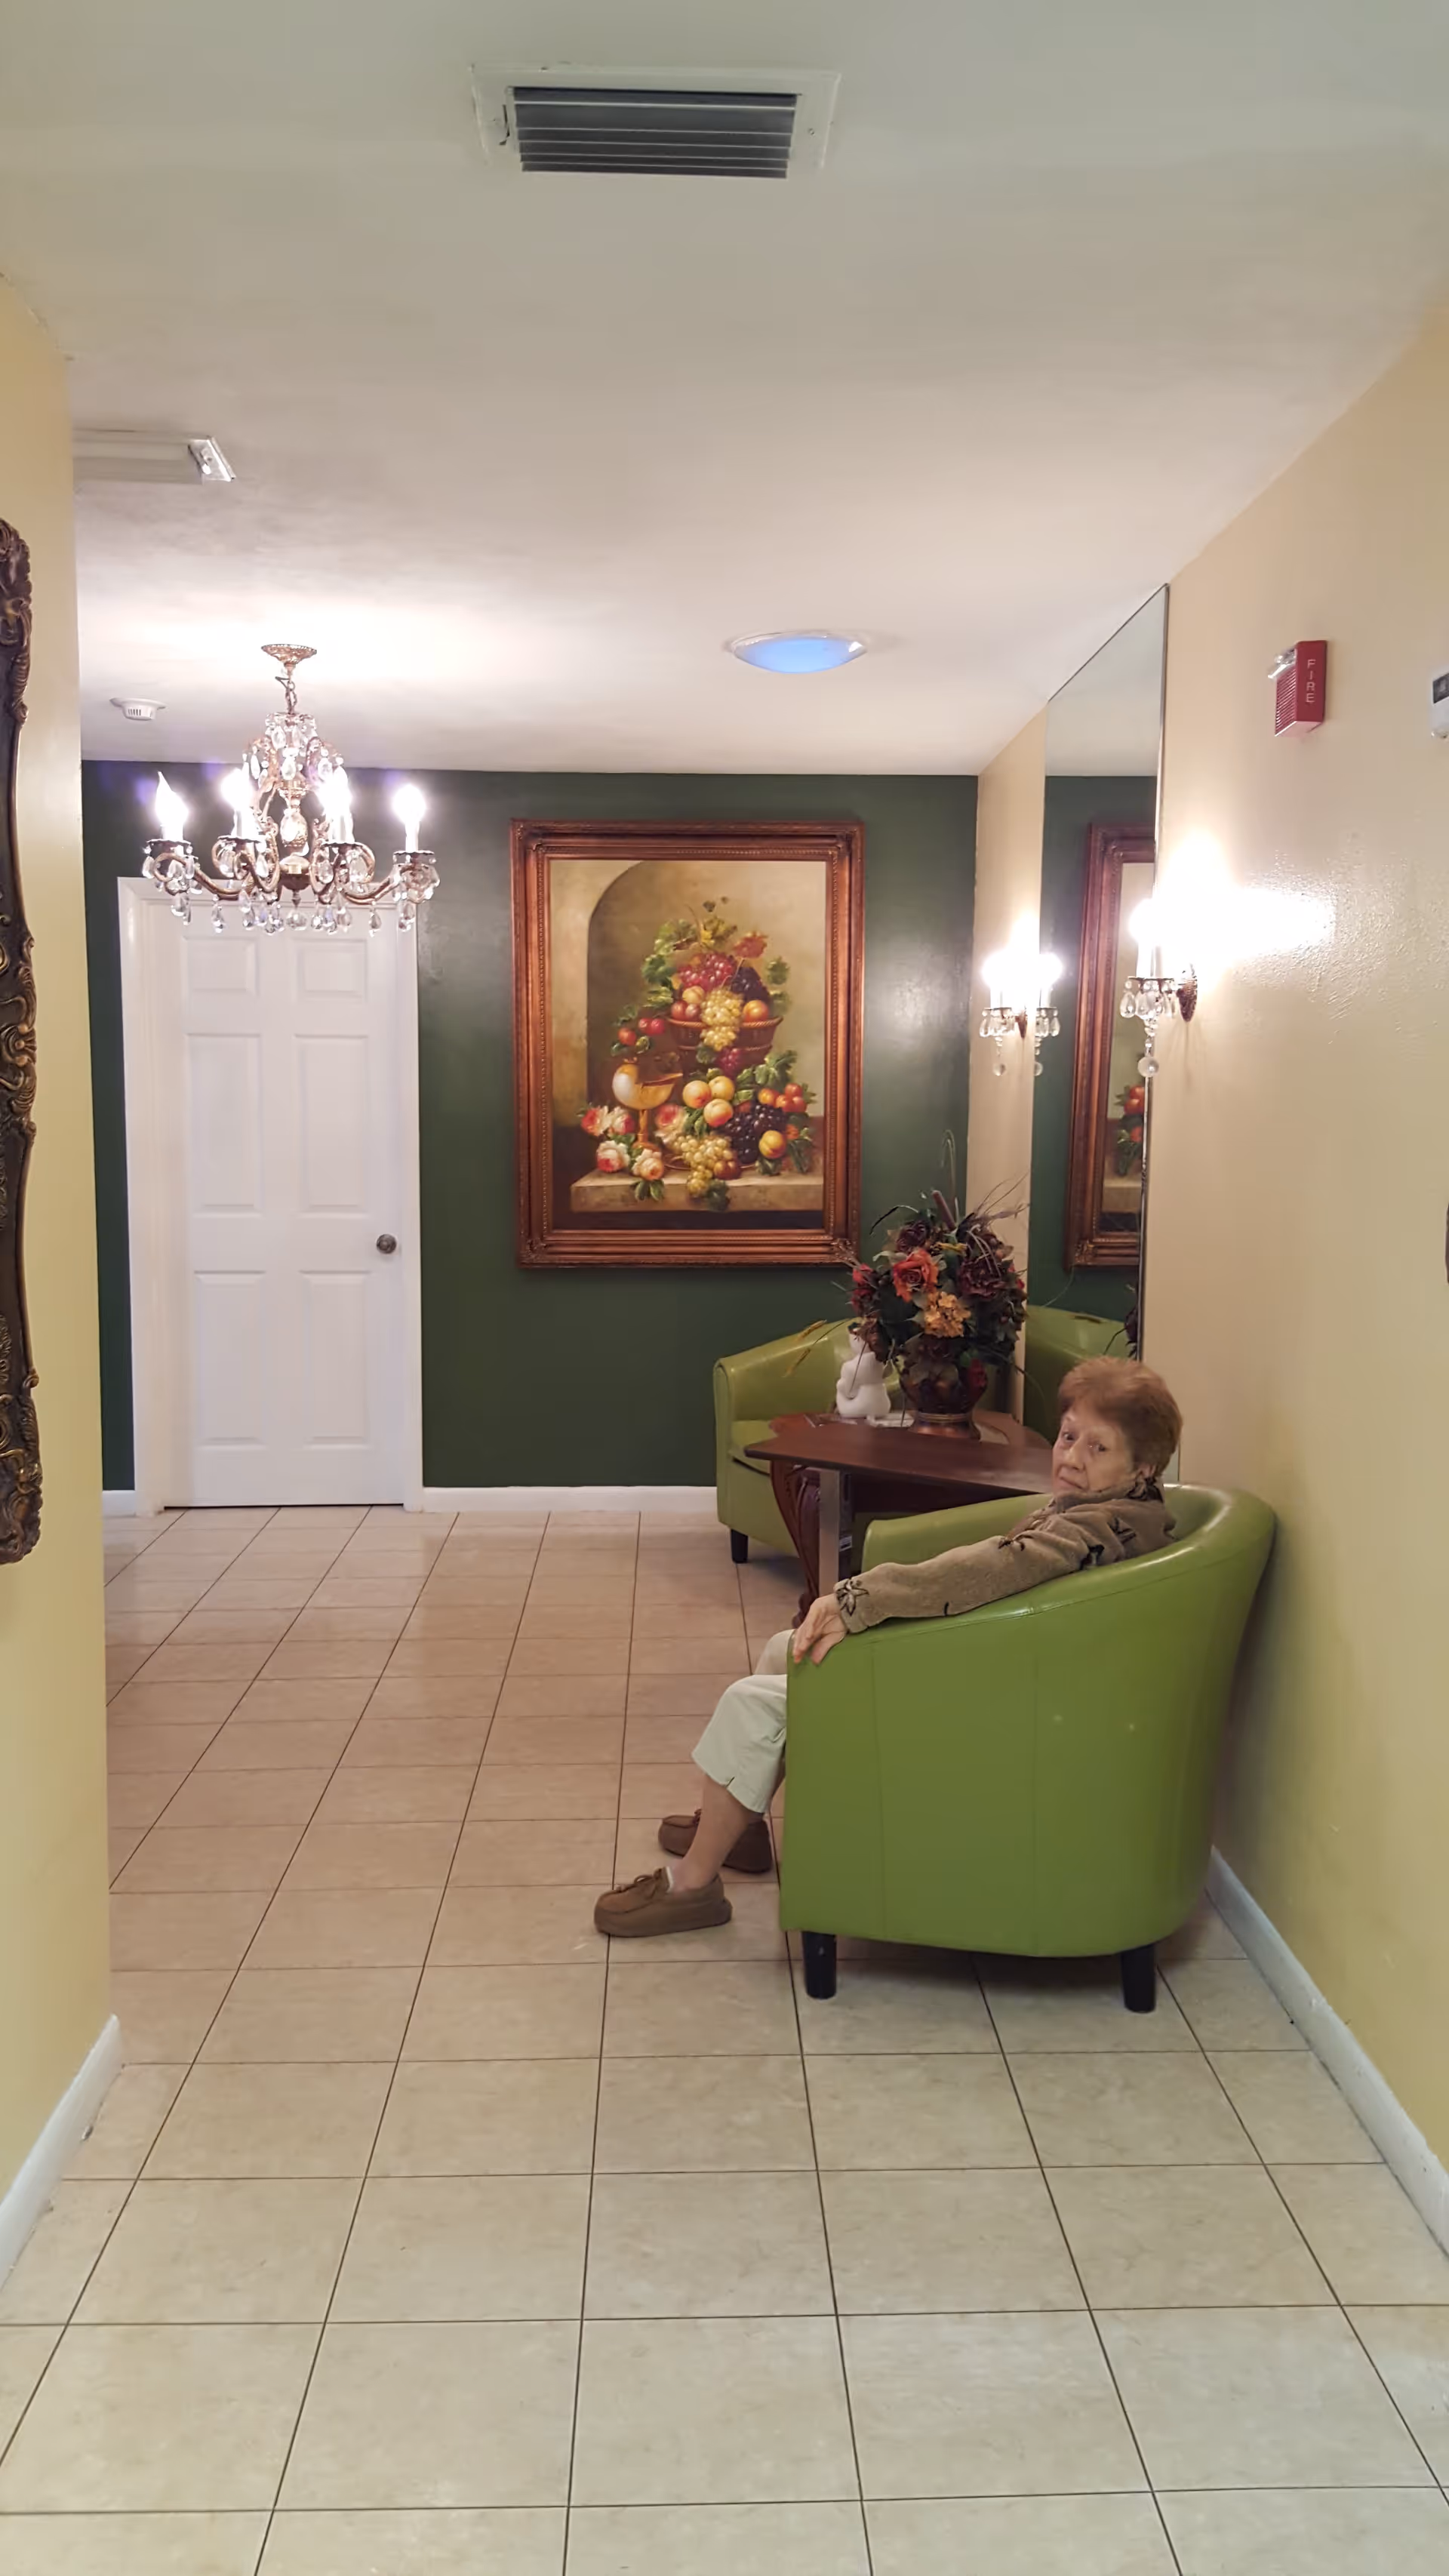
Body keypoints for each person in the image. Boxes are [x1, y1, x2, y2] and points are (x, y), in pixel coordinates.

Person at [594, 1356, 1183, 1939]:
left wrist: (861, 1598)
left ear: (1144, 1464)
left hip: (1003, 1703)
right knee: (788, 1647)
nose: (1071, 1456)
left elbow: (996, 1569)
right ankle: (740, 1824)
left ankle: (694, 1887)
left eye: (1097, 1448)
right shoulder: (1120, 1511)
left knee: (755, 1699)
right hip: (1008, 1668)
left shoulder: (1095, 1531)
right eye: (1069, 1434)